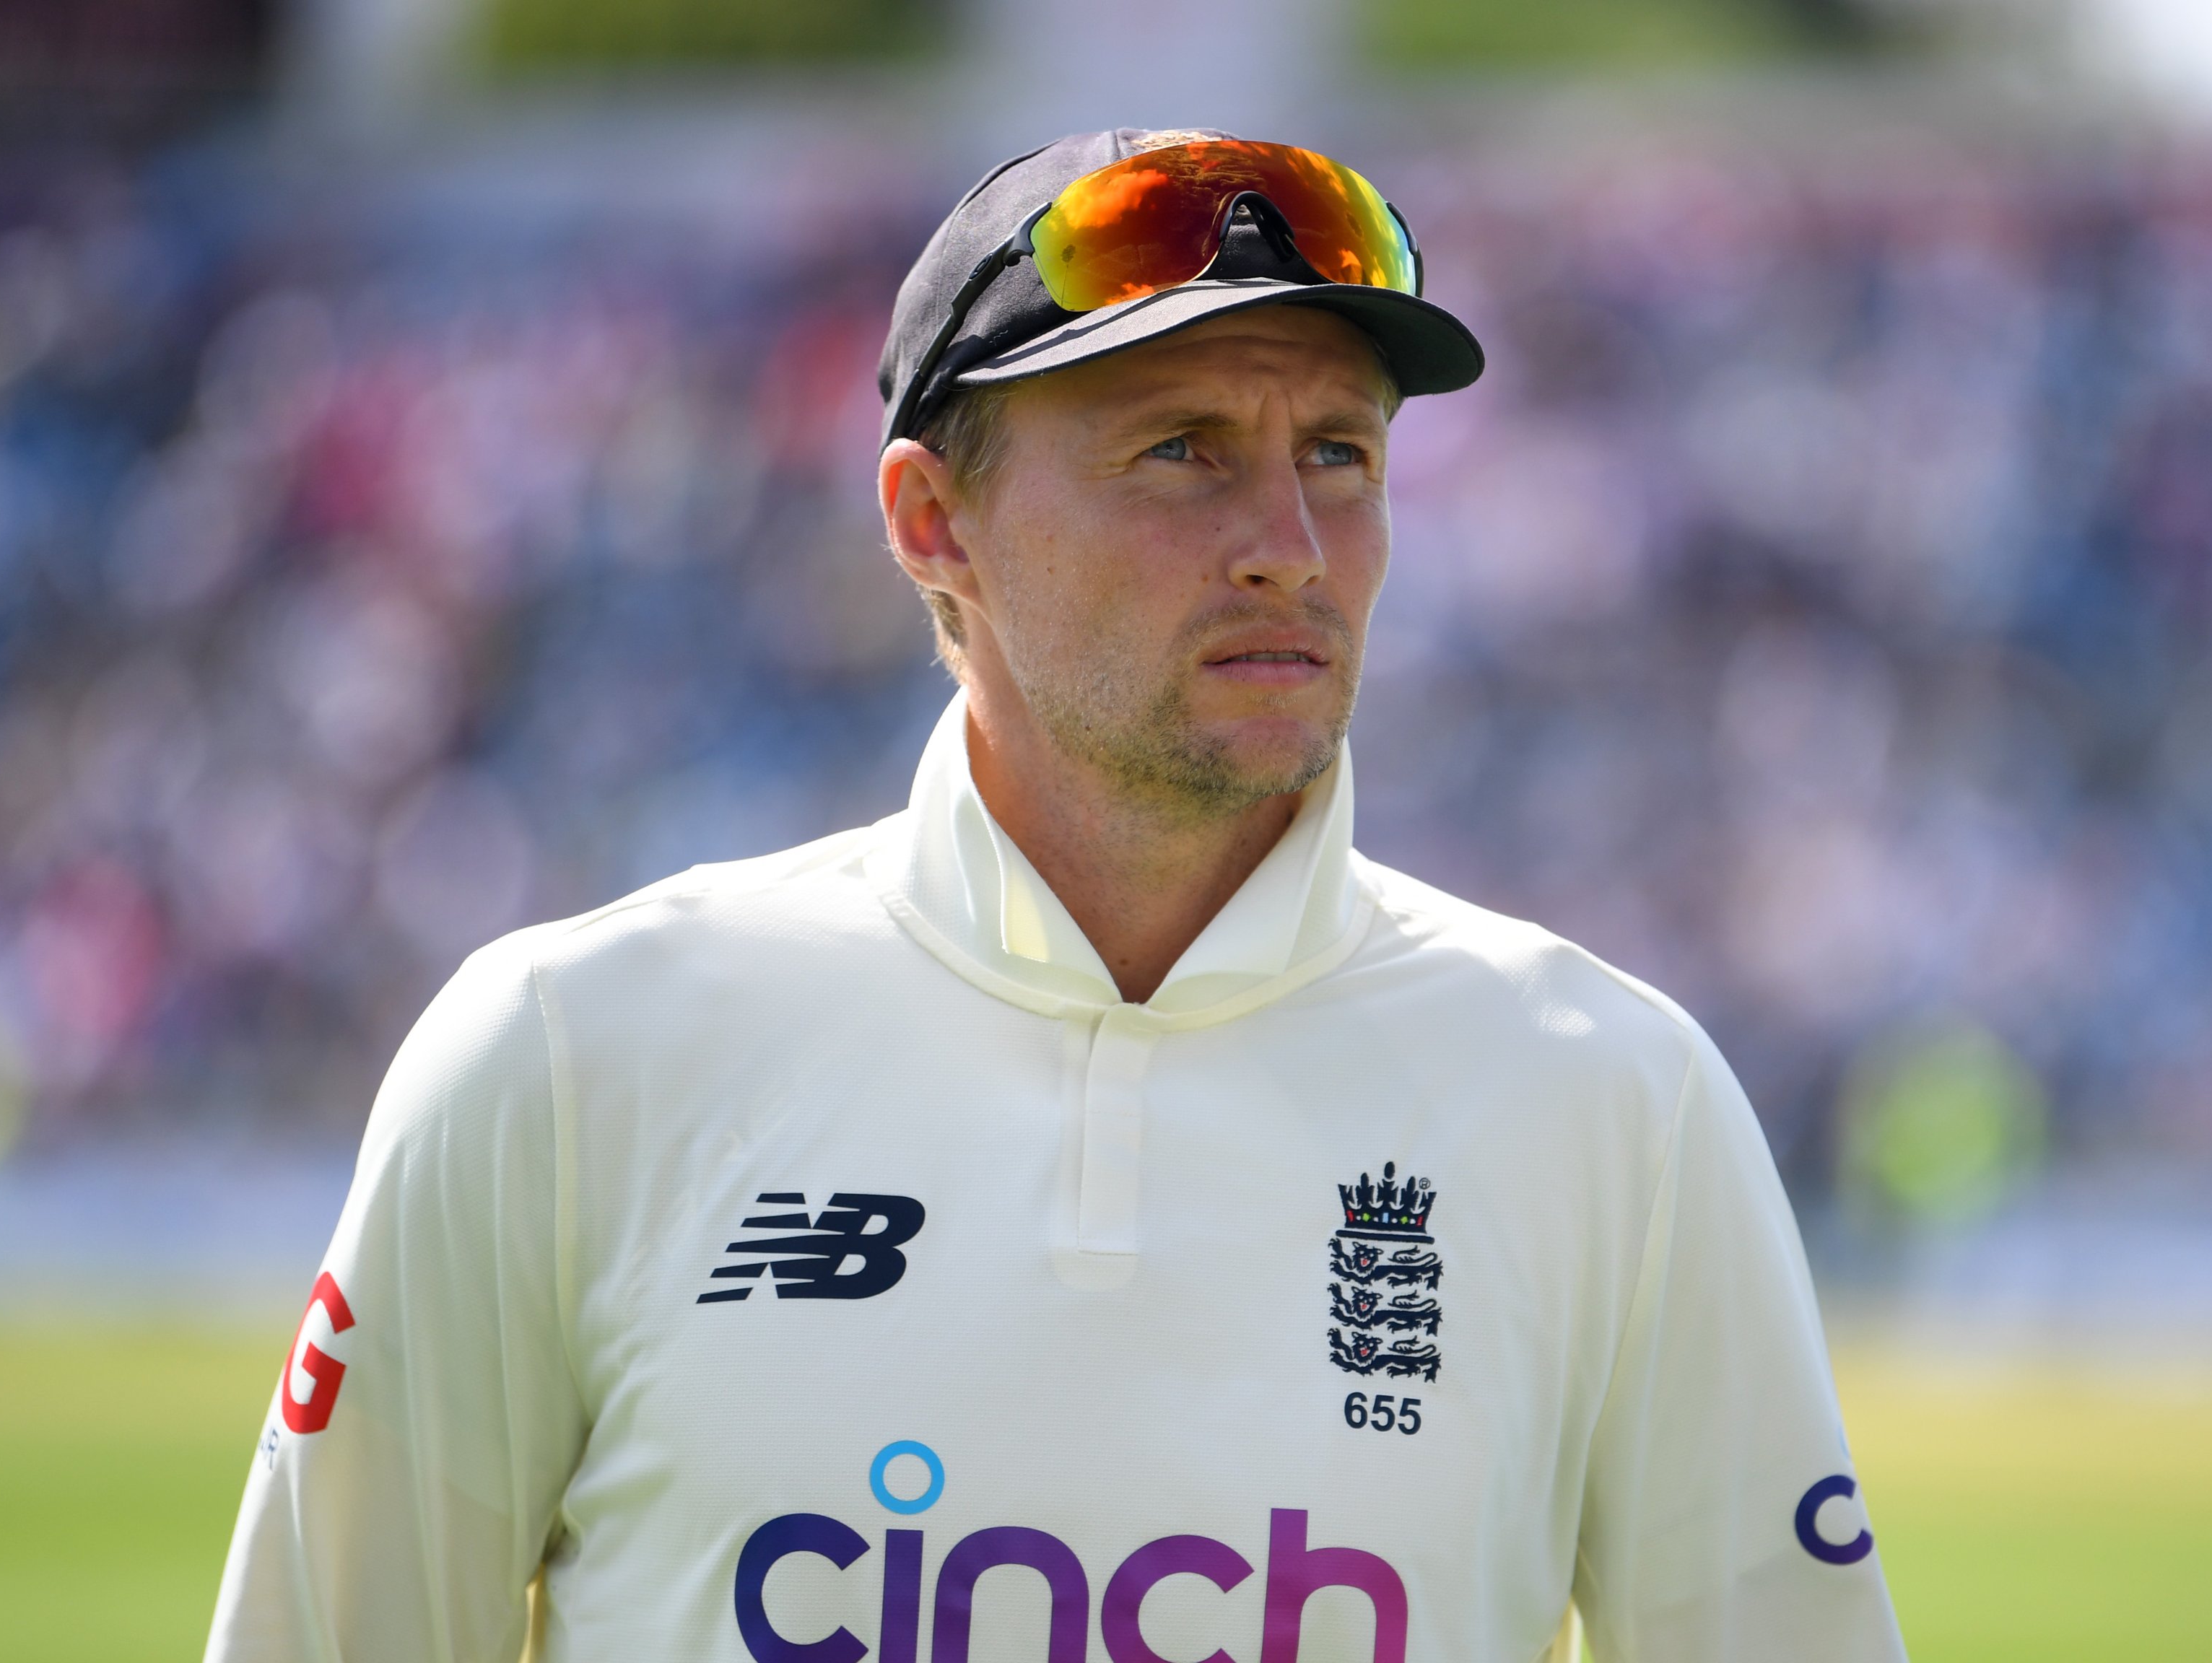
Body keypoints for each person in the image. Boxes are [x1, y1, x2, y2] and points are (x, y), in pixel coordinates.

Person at [205, 128, 1905, 1663]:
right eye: (1179, 451)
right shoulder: (562, 1055)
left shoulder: (1617, 1098)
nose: (1289, 548)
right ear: (933, 525)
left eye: (1337, 454)